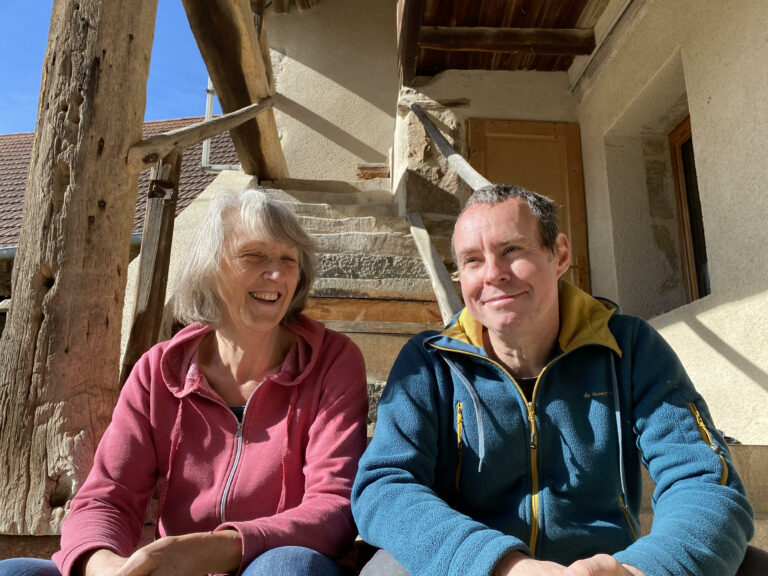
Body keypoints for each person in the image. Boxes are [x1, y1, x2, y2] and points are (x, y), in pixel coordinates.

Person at [351, 184, 755, 576]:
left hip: (602, 568)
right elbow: (383, 487)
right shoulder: (429, 363)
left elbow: (703, 478)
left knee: (750, 564)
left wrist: (638, 570)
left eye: (511, 250)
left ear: (559, 255)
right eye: (472, 260)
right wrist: (501, 565)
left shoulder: (629, 348)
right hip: (477, 567)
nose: (493, 274)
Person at [0, 189, 368, 576]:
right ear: (210, 268)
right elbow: (108, 497)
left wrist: (218, 548)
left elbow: (334, 506)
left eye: (288, 260)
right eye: (254, 256)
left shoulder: (332, 361)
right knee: (16, 572)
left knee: (288, 566)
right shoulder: (160, 370)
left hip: (278, 564)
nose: (276, 274)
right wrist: (104, 565)